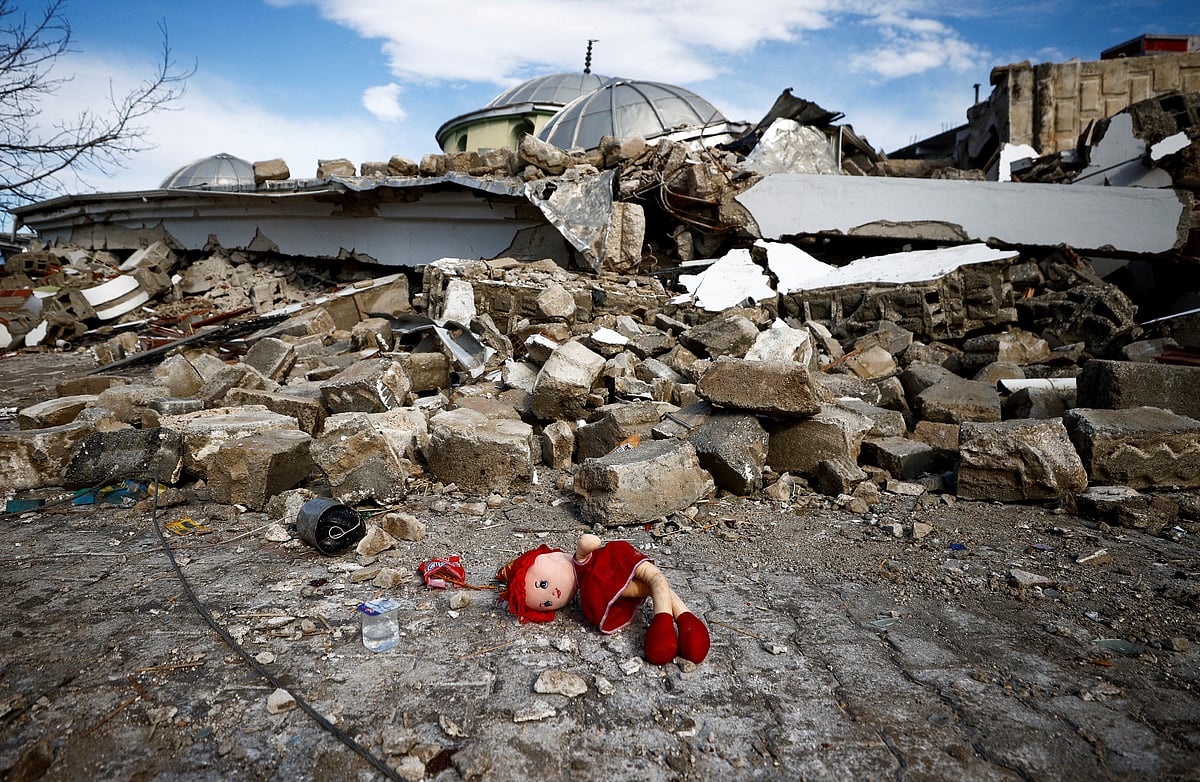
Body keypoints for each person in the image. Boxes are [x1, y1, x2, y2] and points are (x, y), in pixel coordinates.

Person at [496, 533, 710, 665]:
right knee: (652, 584)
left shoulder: (579, 561)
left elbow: (587, 544)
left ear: (548, 557)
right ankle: (685, 620)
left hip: (612, 561)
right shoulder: (584, 585)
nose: (552, 596)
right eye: (547, 604)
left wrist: (585, 546)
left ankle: (667, 621)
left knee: (654, 579)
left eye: (543, 585)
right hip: (600, 586)